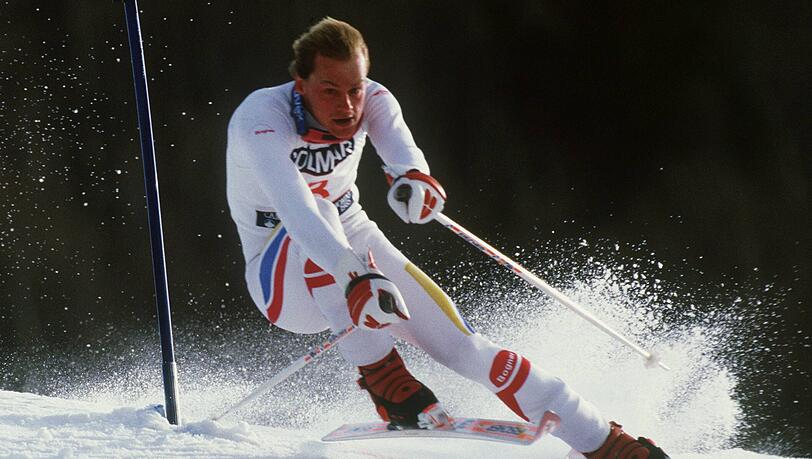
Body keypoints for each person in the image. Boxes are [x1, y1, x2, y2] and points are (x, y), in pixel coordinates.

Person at [226, 17, 670, 458]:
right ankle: (385, 380)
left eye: (354, 89)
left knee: (465, 347)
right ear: (300, 84)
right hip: (281, 279)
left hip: (354, 242)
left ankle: (604, 442)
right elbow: (297, 208)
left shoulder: (375, 99)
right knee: (322, 207)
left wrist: (415, 183)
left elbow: (404, 156)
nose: (347, 105)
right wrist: (352, 274)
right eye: (329, 90)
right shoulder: (260, 118)